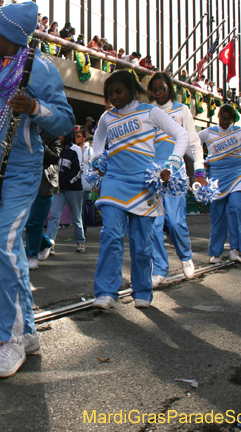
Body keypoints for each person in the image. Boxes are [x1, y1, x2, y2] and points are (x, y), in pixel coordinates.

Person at [0, 0, 74, 378]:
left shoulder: (41, 70)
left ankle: (10, 343)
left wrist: (35, 109)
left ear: (11, 38)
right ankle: (27, 332)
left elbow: (65, 122)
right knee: (9, 256)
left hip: (21, 173)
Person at [91, 70, 189, 310]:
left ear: (132, 90)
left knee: (141, 241)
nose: (114, 97)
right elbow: (97, 141)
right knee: (111, 234)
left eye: (118, 92)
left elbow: (182, 135)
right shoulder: (106, 117)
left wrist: (172, 164)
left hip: (145, 184)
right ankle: (106, 291)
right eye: (110, 93)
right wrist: (96, 161)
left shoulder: (151, 111)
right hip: (114, 181)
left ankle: (142, 290)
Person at [146, 72, 206, 286]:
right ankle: (160, 268)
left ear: (169, 88)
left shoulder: (181, 110)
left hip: (175, 174)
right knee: (153, 224)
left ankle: (186, 257)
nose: (159, 93)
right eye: (154, 90)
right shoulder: (148, 112)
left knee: (175, 221)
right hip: (153, 175)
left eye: (162, 88)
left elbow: (194, 143)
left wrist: (199, 170)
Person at [198, 104, 241, 263]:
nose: (225, 122)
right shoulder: (208, 133)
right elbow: (190, 143)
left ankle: (235, 249)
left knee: (235, 209)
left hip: (237, 175)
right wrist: (201, 162)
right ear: (218, 116)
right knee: (218, 215)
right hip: (217, 179)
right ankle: (216, 252)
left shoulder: (240, 132)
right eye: (223, 118)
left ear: (233, 120)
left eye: (229, 119)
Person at [24, 129, 61, 270]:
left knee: (34, 221)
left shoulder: (52, 134)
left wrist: (39, 143)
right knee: (28, 221)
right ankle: (46, 243)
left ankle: (31, 256)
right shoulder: (24, 131)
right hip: (26, 182)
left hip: (45, 184)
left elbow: (55, 157)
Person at [44, 132, 86, 255]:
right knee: (54, 216)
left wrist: (67, 181)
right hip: (59, 189)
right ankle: (50, 244)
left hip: (74, 189)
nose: (58, 136)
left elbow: (79, 170)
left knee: (76, 217)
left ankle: (80, 241)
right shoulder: (56, 149)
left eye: (60, 134)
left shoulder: (75, 149)